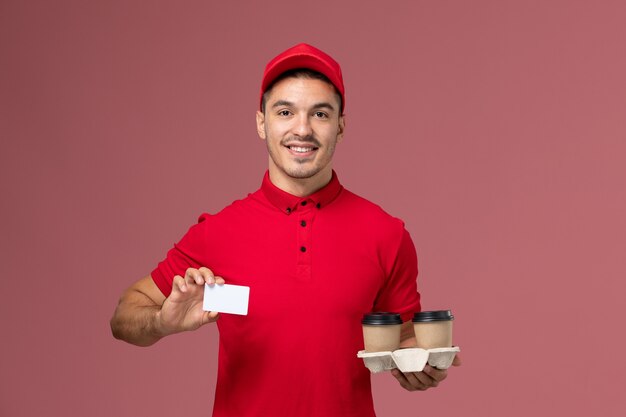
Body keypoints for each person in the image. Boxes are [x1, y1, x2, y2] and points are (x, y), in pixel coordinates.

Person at [110, 43, 460, 417]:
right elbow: (124, 317)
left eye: (320, 114)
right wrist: (161, 322)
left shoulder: (386, 234)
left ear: (340, 126)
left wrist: (419, 364)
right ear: (262, 123)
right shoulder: (218, 231)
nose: (302, 129)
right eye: (285, 111)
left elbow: (403, 335)